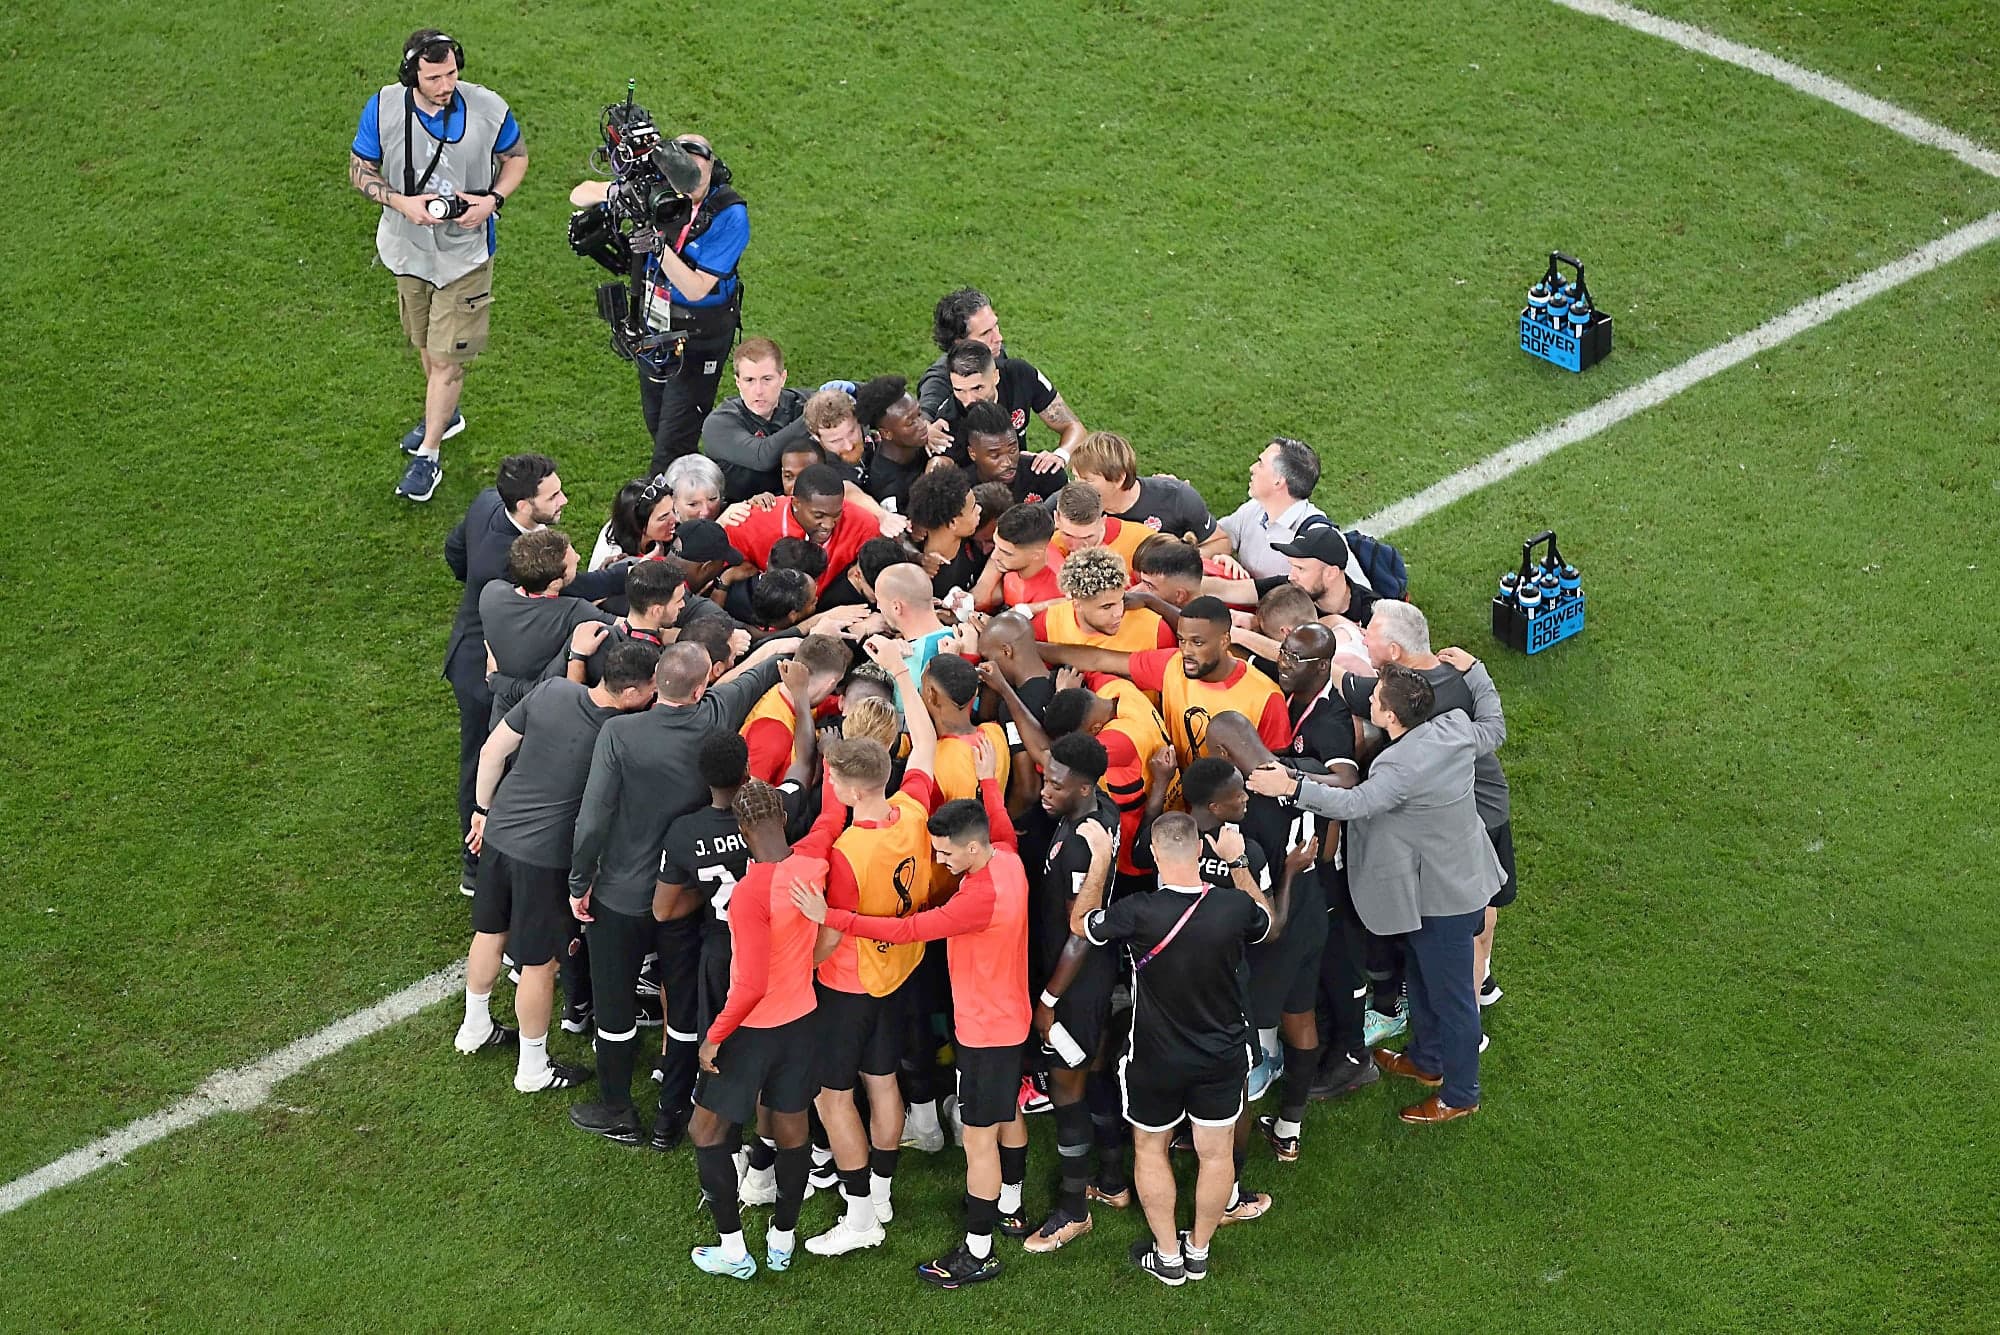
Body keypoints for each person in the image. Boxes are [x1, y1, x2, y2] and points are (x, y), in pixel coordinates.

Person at [793, 733, 1032, 1289]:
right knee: (1005, 1111)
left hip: (983, 1026)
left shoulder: (975, 897)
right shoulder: (1007, 860)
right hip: (1006, 1016)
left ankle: (979, 1249)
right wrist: (990, 780)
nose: (941, 863)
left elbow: (908, 928)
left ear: (971, 850)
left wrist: (833, 915)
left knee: (978, 1137)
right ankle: (1013, 1203)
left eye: (947, 854)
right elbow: (999, 823)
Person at [1248, 662, 1505, 1124]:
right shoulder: (1454, 726)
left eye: (1375, 697)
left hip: (1441, 898)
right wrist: (1478, 672)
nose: (1368, 699)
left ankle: (1461, 1092)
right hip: (1456, 880)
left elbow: (1354, 803)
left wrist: (1290, 786)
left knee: (1452, 998)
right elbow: (1493, 724)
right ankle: (1427, 1061)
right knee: (1424, 978)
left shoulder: (1399, 765)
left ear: (1390, 717)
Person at [564, 638, 798, 1143]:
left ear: (656, 685)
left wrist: (579, 882)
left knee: (615, 1005)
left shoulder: (619, 734)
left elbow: (592, 821)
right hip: (687, 897)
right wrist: (795, 643)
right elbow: (754, 677)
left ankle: (618, 1109)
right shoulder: (715, 716)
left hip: (622, 896)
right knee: (683, 1005)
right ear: (699, 687)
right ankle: (672, 1116)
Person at [1043, 813, 1281, 1285]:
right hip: (1222, 1055)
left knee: (1150, 1148)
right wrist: (1237, 863)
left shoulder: (1139, 912)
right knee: (1216, 1155)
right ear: (1199, 853)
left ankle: (1169, 1257)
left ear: (1154, 855)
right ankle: (1199, 1250)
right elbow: (1267, 921)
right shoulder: (1233, 908)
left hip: (1155, 1058)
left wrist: (1103, 860)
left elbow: (1080, 922)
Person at [457, 639, 659, 1093]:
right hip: (544, 861)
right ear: (630, 694)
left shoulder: (552, 692)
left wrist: (484, 812)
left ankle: (474, 1027)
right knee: (540, 964)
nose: (653, 696)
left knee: (489, 933)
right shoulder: (621, 735)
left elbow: (492, 752)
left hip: (501, 835)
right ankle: (532, 1069)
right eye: (650, 689)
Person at [803, 639, 944, 1258]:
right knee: (883, 1082)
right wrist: (903, 677)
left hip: (847, 983)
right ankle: (881, 1190)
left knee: (834, 1098)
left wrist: (797, 964)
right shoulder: (913, 808)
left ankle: (861, 1216)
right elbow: (929, 743)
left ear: (841, 784)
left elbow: (831, 935)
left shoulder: (843, 854)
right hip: (899, 972)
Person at [350, 30, 527, 501]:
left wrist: (493, 199)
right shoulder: (385, 107)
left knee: (447, 361)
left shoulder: (489, 108)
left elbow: (516, 158)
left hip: (464, 259)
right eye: (434, 77)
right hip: (407, 250)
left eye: (451, 72)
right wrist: (399, 203)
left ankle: (428, 455)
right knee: (424, 343)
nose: (447, 83)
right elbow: (358, 168)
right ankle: (444, 416)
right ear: (413, 76)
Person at [444, 455, 623, 894]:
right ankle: (475, 860)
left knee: (496, 754)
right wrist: (620, 576)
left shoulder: (489, 501)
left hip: (492, 648)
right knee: (487, 759)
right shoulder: (504, 568)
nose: (565, 499)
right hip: (486, 670)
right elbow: (566, 592)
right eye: (554, 495)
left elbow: (454, 549)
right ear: (525, 505)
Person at [688, 779, 838, 1280]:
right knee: (791, 1127)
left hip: (752, 1029)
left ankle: (734, 1252)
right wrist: (836, 772)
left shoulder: (750, 893)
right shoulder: (813, 864)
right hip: (802, 1021)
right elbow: (828, 823)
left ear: (742, 828)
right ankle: (782, 1240)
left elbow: (749, 984)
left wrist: (714, 1035)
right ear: (781, 818)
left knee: (705, 1130)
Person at [1339, 602, 1517, 1018]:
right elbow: (1493, 729)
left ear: (1396, 651)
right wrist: (1478, 670)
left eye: (1371, 634)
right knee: (1481, 907)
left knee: (1462, 919)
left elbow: (1334, 674)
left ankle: (1466, 1020)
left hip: (1469, 814)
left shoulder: (1399, 697)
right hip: (1485, 802)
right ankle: (1482, 983)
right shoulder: (1453, 676)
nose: (1364, 635)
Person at [570, 134, 748, 471]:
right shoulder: (656, 195)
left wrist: (657, 247)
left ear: (713, 168)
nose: (688, 184)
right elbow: (578, 194)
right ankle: (695, 485)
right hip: (655, 326)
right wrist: (618, 194)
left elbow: (696, 288)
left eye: (697, 174)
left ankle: (666, 509)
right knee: (657, 421)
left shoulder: (730, 215)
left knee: (673, 444)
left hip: (698, 336)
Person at [1037, 597, 1292, 767]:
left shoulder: (1266, 697)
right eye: (1182, 640)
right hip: (1173, 789)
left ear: (1225, 641)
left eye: (1198, 642)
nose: (1187, 651)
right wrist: (1027, 647)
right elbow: (1098, 659)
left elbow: (1273, 771)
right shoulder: (1172, 663)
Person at [478, 529, 615, 724]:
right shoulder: (573, 612)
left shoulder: (491, 592)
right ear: (555, 583)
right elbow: (631, 625)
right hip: (539, 724)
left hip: (501, 719)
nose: (578, 556)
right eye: (572, 559)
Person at [723, 464, 883, 597]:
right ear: (796, 503)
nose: (828, 524)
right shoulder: (749, 522)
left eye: (837, 514)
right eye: (819, 515)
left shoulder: (864, 525)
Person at [931, 339, 1085, 465]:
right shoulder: (946, 424)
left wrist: (1060, 456)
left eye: (977, 388)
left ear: (996, 376)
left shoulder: (1020, 375)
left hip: (1021, 478)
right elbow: (940, 473)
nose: (969, 400)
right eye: (959, 390)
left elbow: (1073, 426)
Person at [701, 337, 812, 501]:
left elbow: (853, 396)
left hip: (797, 506)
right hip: (738, 513)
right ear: (738, 382)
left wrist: (851, 389)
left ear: (783, 378)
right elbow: (763, 456)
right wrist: (814, 416)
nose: (758, 391)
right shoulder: (719, 424)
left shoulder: (799, 402)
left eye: (767, 379)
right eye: (749, 380)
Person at [1206, 438, 1326, 579]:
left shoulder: (1317, 534)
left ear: (1278, 481)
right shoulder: (1254, 508)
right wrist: (1222, 559)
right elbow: (1216, 538)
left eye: (1261, 464)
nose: (1252, 468)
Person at [739, 636, 853, 784]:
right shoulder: (771, 732)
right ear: (830, 684)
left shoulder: (802, 698)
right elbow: (748, 798)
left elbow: (839, 704)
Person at [1069, 432, 1215, 543]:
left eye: (1087, 480)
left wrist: (1183, 563)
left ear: (1119, 478)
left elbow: (1219, 542)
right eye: (1075, 477)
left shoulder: (1177, 498)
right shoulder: (1067, 503)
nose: (1077, 487)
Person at [1034, 547, 1176, 656]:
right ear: (1077, 604)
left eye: (1121, 600)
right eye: (1106, 607)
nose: (1118, 613)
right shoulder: (1047, 623)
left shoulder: (1155, 628)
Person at [850, 375, 939, 513]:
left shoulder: (918, 441)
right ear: (886, 434)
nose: (922, 425)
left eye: (919, 414)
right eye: (910, 422)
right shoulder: (890, 488)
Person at [956, 399, 1067, 507]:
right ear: (972, 453)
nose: (1008, 462)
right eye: (995, 456)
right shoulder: (960, 492)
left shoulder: (1046, 475)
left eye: (1012, 450)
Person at [917, 286, 1004, 415]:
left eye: (995, 326)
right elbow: (925, 415)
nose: (998, 338)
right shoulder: (939, 381)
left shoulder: (995, 352)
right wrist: (927, 424)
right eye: (985, 333)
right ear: (960, 343)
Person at [1047, 483, 1150, 572]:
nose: (1077, 547)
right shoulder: (1047, 547)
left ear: (1102, 521)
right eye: (1068, 535)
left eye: (1087, 537)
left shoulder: (1143, 541)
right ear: (1056, 519)